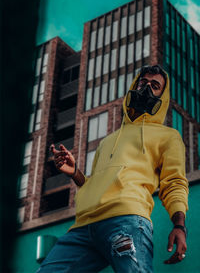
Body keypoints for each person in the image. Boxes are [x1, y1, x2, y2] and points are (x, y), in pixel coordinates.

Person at [36, 65, 188, 273]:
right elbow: (97, 185)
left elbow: (174, 183)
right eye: (143, 83)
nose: (147, 89)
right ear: (135, 85)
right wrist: (75, 173)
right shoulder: (107, 141)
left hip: (125, 221)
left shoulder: (168, 136)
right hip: (83, 226)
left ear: (162, 95)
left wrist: (179, 226)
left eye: (155, 86)